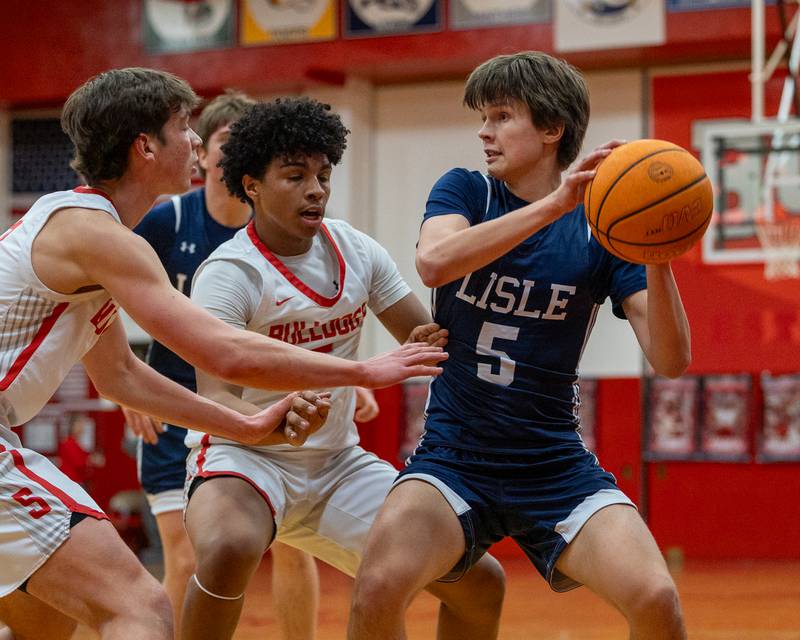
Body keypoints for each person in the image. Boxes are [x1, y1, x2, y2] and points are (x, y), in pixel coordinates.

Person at [0, 68, 445, 640]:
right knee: (141, 609)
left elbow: (122, 377)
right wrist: (361, 370)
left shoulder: (83, 230)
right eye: (184, 127)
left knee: (48, 621)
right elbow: (223, 352)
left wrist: (246, 424)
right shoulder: (98, 234)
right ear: (145, 147)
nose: (198, 142)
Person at [349, 51, 690, 640]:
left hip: (553, 462)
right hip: (455, 457)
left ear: (551, 129)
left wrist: (657, 258)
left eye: (502, 116)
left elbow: (671, 359)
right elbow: (433, 263)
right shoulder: (467, 191)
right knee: (378, 588)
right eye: (484, 117)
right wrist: (554, 205)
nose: (485, 131)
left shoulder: (600, 230)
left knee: (656, 597)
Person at [179, 96, 505, 640]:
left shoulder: (355, 249)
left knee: (480, 580)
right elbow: (212, 398)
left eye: (323, 174)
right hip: (246, 457)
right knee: (229, 548)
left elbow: (424, 339)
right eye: (295, 175)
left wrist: (440, 339)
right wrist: (270, 420)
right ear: (251, 185)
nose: (316, 189)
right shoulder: (231, 272)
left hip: (337, 464)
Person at [126, 89, 324, 640]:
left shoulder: (283, 229)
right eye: (226, 139)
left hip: (258, 406)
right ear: (205, 154)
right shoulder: (169, 221)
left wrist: (343, 377)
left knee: (293, 546)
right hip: (175, 408)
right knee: (186, 559)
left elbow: (309, 321)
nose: (238, 150)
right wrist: (121, 389)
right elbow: (94, 293)